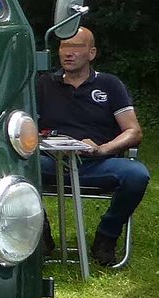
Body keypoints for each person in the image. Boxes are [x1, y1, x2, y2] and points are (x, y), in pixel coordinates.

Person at [37, 26, 149, 267]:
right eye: (64, 46)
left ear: (92, 53)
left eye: (76, 47)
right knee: (13, 166)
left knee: (136, 175)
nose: (68, 53)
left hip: (97, 162)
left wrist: (102, 149)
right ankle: (38, 233)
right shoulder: (44, 85)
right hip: (51, 162)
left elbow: (134, 131)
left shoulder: (109, 85)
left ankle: (106, 236)